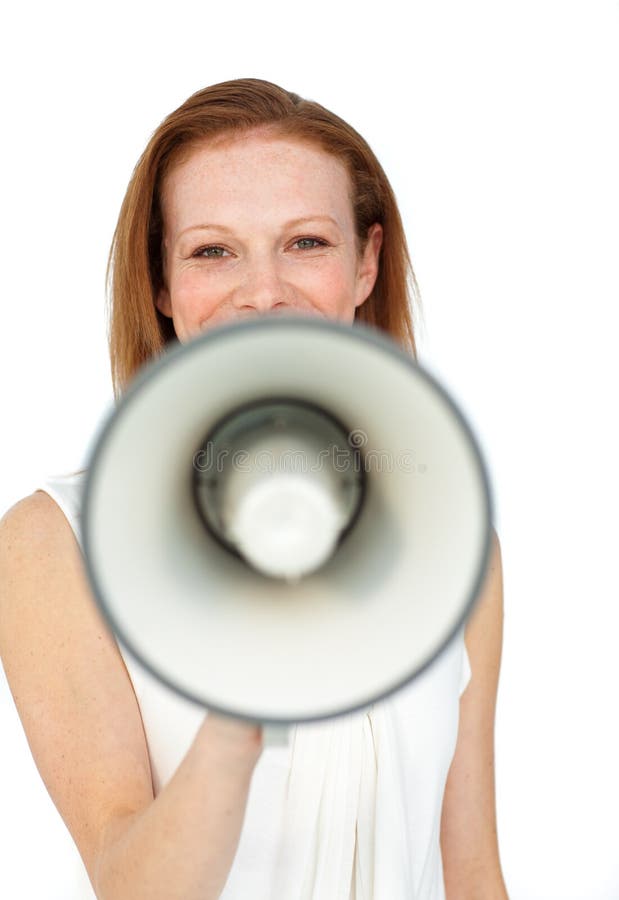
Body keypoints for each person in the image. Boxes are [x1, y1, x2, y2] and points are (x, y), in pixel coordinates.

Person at [0, 79, 508, 899]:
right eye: (211, 250)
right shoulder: (54, 542)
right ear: (162, 286)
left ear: (365, 263)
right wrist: (246, 693)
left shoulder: (456, 546)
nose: (263, 290)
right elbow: (128, 883)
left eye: (306, 242)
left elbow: (473, 874)